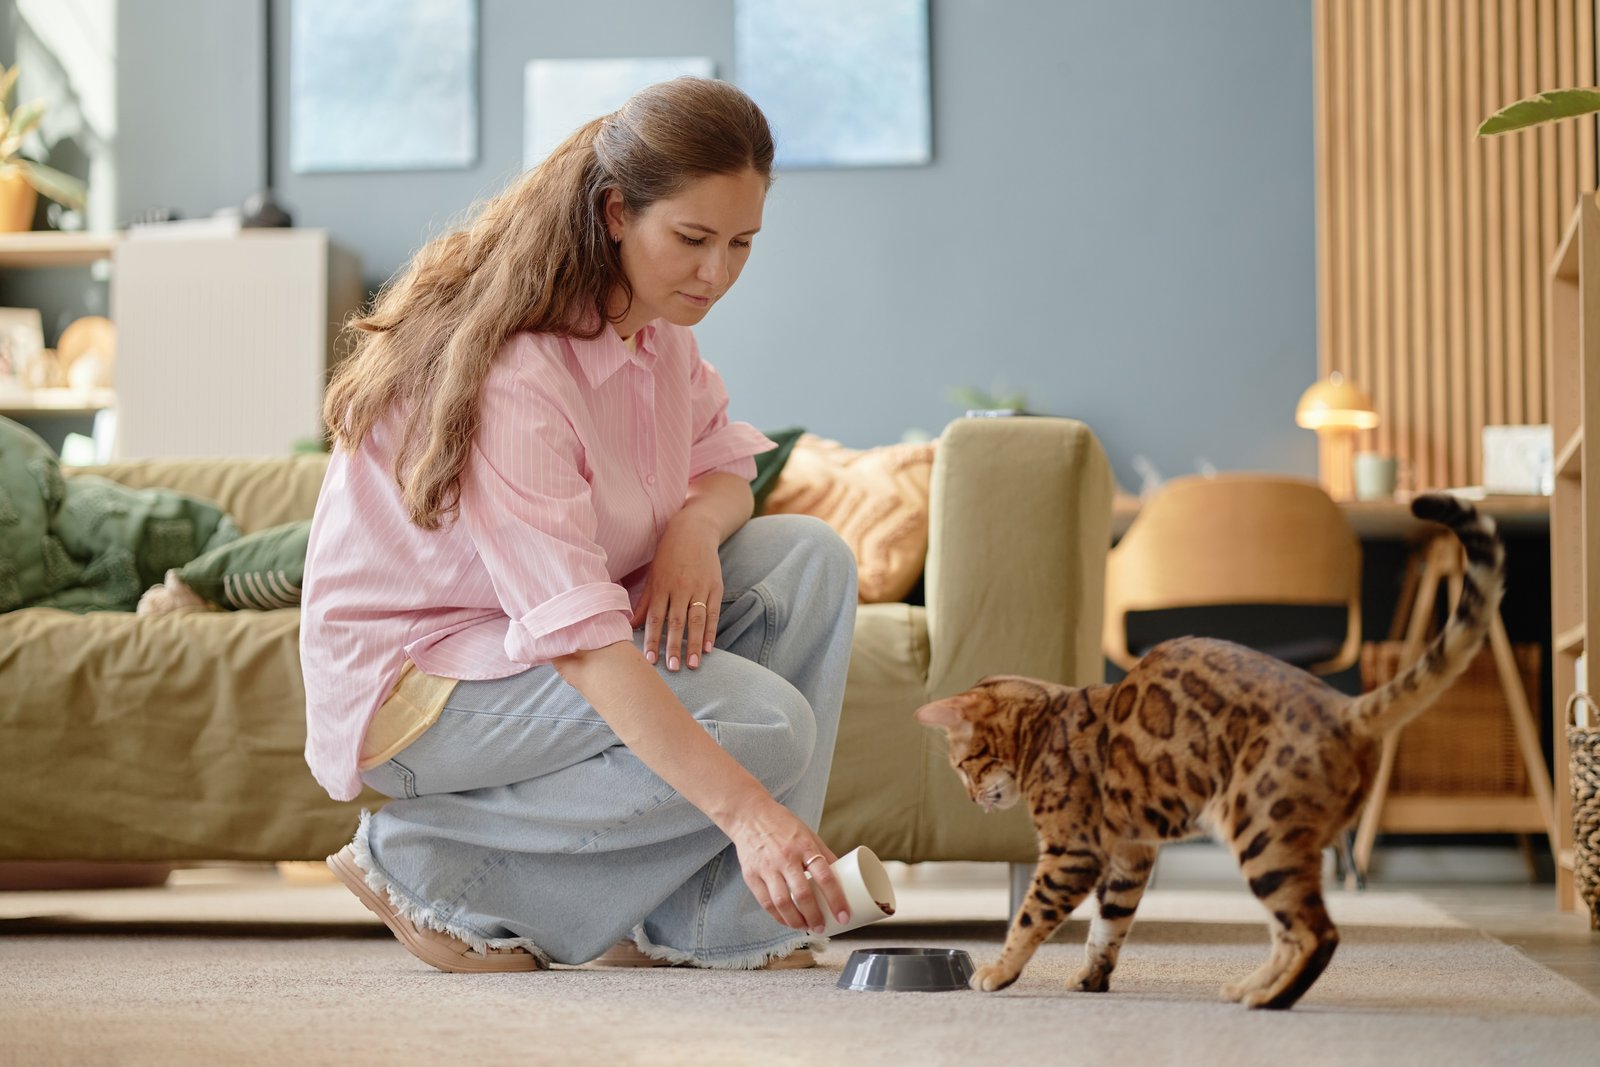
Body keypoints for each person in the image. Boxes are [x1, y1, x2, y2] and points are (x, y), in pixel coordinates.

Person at [300, 77, 857, 973]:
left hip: (527, 652)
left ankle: (718, 921)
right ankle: (431, 864)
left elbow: (724, 469)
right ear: (613, 213)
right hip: (423, 690)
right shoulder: (520, 374)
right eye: (692, 239)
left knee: (810, 560)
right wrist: (754, 814)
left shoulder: (659, 330)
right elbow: (584, 645)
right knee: (763, 730)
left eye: (742, 243)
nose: (717, 273)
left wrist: (690, 530)